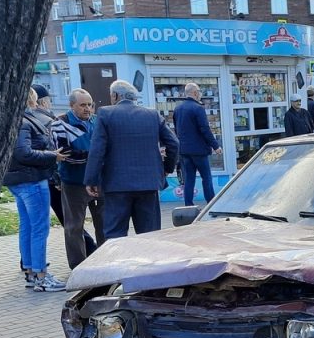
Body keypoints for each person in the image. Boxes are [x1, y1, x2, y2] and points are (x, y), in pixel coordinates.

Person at [84, 80, 179, 239]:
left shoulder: (106, 114)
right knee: (150, 236)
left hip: (116, 186)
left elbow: (97, 149)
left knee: (115, 236)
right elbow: (174, 143)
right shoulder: (152, 114)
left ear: (114, 95)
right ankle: (148, 264)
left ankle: (120, 264)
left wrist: (91, 179)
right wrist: (166, 169)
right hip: (148, 185)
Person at [5, 88, 70, 292]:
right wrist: (52, 156)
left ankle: (32, 271)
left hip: (19, 180)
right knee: (39, 228)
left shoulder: (12, 120)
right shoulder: (24, 122)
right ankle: (41, 276)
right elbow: (24, 153)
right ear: (32, 99)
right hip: (32, 180)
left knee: (28, 226)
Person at [50, 88, 104, 269]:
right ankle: (79, 266)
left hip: (98, 181)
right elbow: (66, 154)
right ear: (72, 105)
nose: (87, 108)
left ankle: (106, 261)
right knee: (74, 227)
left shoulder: (97, 121)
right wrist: (95, 155)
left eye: (90, 104)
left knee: (103, 224)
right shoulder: (59, 124)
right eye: (82, 105)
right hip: (74, 182)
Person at [173, 82, 222, 206]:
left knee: (189, 179)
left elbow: (176, 129)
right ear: (195, 93)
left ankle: (188, 205)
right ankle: (211, 203)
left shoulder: (178, 109)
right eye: (199, 92)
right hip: (199, 151)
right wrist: (215, 146)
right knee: (206, 177)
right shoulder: (198, 108)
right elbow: (204, 129)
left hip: (184, 151)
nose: (200, 94)